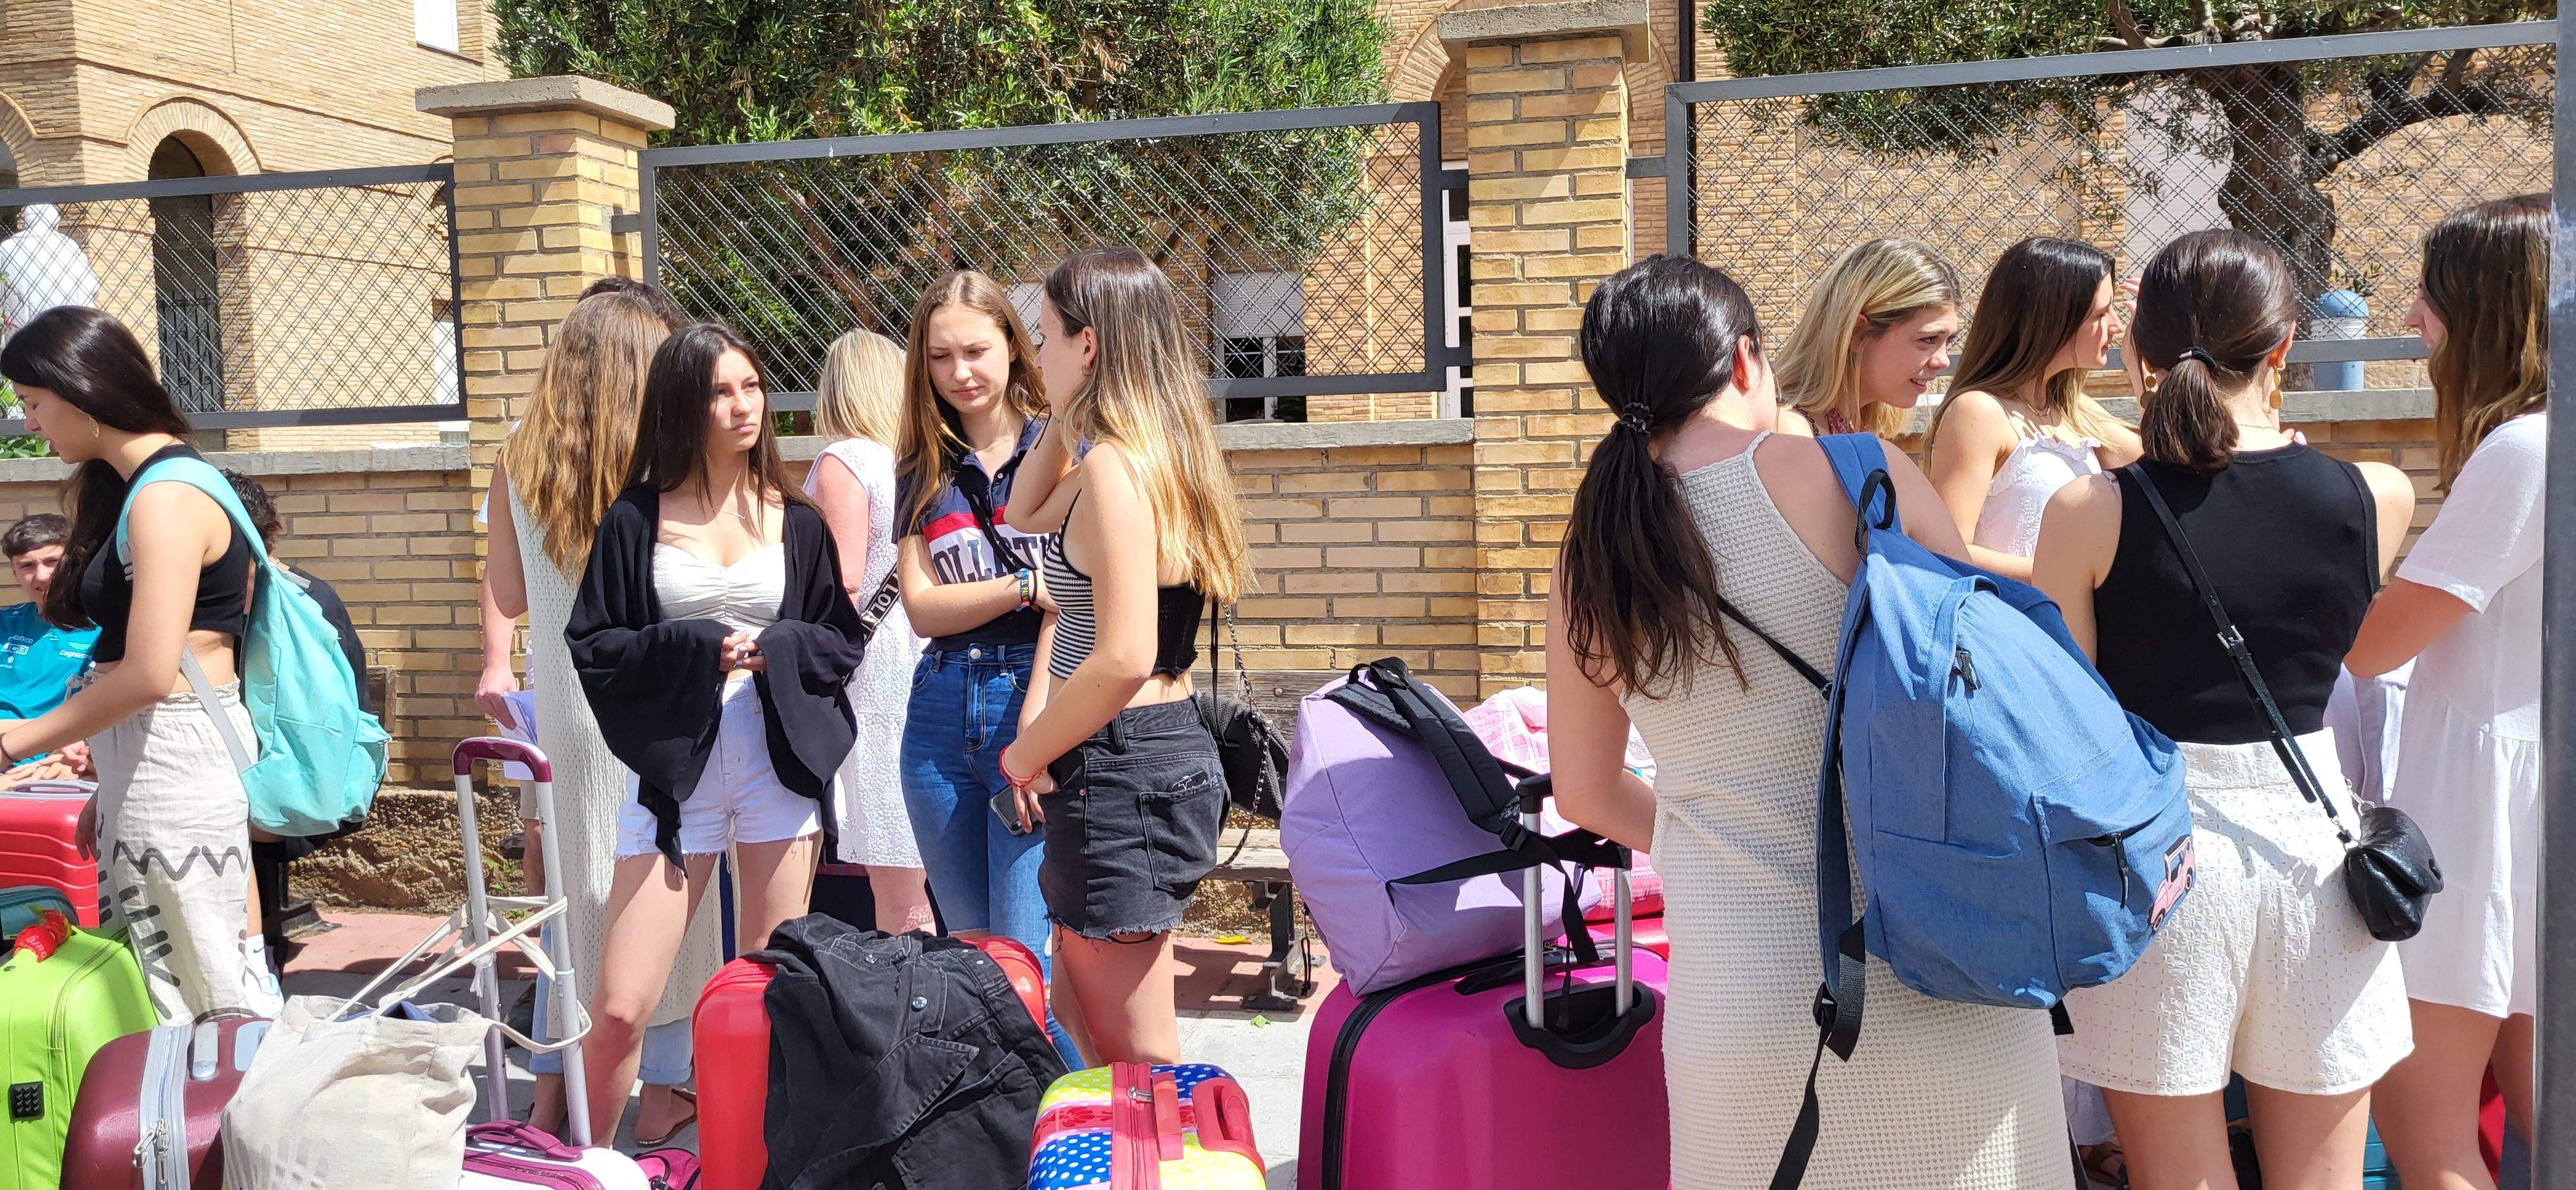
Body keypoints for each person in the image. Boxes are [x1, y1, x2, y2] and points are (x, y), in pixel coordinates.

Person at [1546, 254, 2067, 1189]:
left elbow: (1583, 790)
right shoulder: (1862, 477)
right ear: (1746, 361)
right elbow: (1990, 706)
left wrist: (1709, 828)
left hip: (1737, 998)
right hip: (1942, 959)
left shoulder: (1593, 554)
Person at [2032, 229, 2418, 1190]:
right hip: (2318, 848)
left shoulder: (2090, 510)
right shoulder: (2376, 493)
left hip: (2155, 856)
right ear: (2285, 347)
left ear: (2140, 355)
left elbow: (2062, 718)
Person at [566, 321, 864, 1142]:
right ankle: (589, 1163)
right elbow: (595, 643)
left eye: (751, 387)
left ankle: (749, 1160)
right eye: (719, 392)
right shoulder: (635, 518)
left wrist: (777, 649)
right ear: (681, 407)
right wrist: (701, 649)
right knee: (623, 1005)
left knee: (765, 994)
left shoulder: (795, 518)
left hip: (778, 768)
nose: (743, 407)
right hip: (677, 772)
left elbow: (840, 638)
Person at [993, 247, 1245, 1066]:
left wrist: (1025, 754)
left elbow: (1123, 655)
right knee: (1080, 1014)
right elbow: (1024, 507)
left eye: (1046, 337)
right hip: (1145, 757)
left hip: (1117, 764)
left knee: (1135, 1059)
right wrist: (1070, 415)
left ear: (1090, 344)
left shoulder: (1115, 469)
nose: (1036, 355)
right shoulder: (1148, 454)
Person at [476, 290, 715, 1142]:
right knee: (675, 910)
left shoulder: (519, 459)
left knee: (579, 911)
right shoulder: (674, 466)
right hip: (661, 705)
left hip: (572, 715)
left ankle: (565, 1110)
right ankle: (663, 1105)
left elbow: (507, 592)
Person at [2344, 194, 2548, 1189]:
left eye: (2433, 292)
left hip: (2479, 827)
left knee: (2430, 1149)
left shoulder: (2522, 452)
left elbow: (2376, 646)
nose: (2417, 315)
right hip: (2525, 812)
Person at [0, 306, 281, 1024]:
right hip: (156, 754)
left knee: (204, 987)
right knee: (181, 976)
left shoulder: (165, 496)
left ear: (81, 389)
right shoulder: (144, 488)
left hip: (176, 755)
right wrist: (113, 776)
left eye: (34, 402)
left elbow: (153, 671)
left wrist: (14, 742)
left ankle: (222, 1125)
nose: (31, 422)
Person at [888, 270, 1079, 1062]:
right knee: (970, 960)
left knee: (1026, 964)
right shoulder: (923, 465)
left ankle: (1073, 1140)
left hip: (1026, 708)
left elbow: (1071, 602)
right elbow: (922, 610)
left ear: (1012, 344)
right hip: (936, 712)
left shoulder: (1060, 449)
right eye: (940, 357)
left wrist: (1034, 729)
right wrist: (1020, 585)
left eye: (975, 350)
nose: (960, 372)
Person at [803, 328, 934, 933]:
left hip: (873, 673)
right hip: (920, 648)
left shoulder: (844, 460)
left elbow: (843, 583)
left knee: (893, 872)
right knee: (920, 861)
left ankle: (909, 1008)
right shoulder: (911, 459)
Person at [220, 469, 373, 974]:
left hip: (276, 786)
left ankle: (260, 980)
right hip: (285, 780)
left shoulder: (293, 604)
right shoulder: (310, 595)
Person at [1924, 237, 2143, 581]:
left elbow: (2160, 462)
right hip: (2014, 623)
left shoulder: (2071, 409)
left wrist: (2147, 361)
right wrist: (2072, 577)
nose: (2116, 325)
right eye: (2102, 313)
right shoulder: (1980, 412)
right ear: (2055, 318)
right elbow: (1946, 548)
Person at [1772, 238, 1962, 440]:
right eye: (1929, 339)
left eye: (1948, 341)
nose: (1944, 361)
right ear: (1857, 333)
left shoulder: (1851, 426)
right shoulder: (1792, 431)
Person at [0, 514, 100, 723]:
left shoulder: (105, 630)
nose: (42, 576)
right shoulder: (5, 623)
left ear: (76, 563)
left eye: (52, 562)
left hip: (59, 750)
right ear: (14, 573)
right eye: (27, 566)